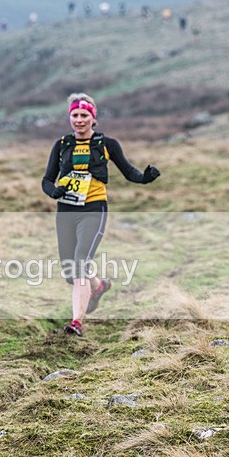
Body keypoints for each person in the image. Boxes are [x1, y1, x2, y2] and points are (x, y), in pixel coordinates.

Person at [41, 93, 160, 336]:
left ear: (93, 117)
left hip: (94, 208)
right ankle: (99, 286)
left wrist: (146, 177)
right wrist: (53, 191)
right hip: (66, 209)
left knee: (80, 261)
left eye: (84, 115)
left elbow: (129, 172)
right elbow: (46, 180)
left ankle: (76, 322)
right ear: (70, 117)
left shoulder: (107, 144)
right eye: (75, 115)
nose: (79, 120)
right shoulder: (62, 144)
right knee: (70, 271)